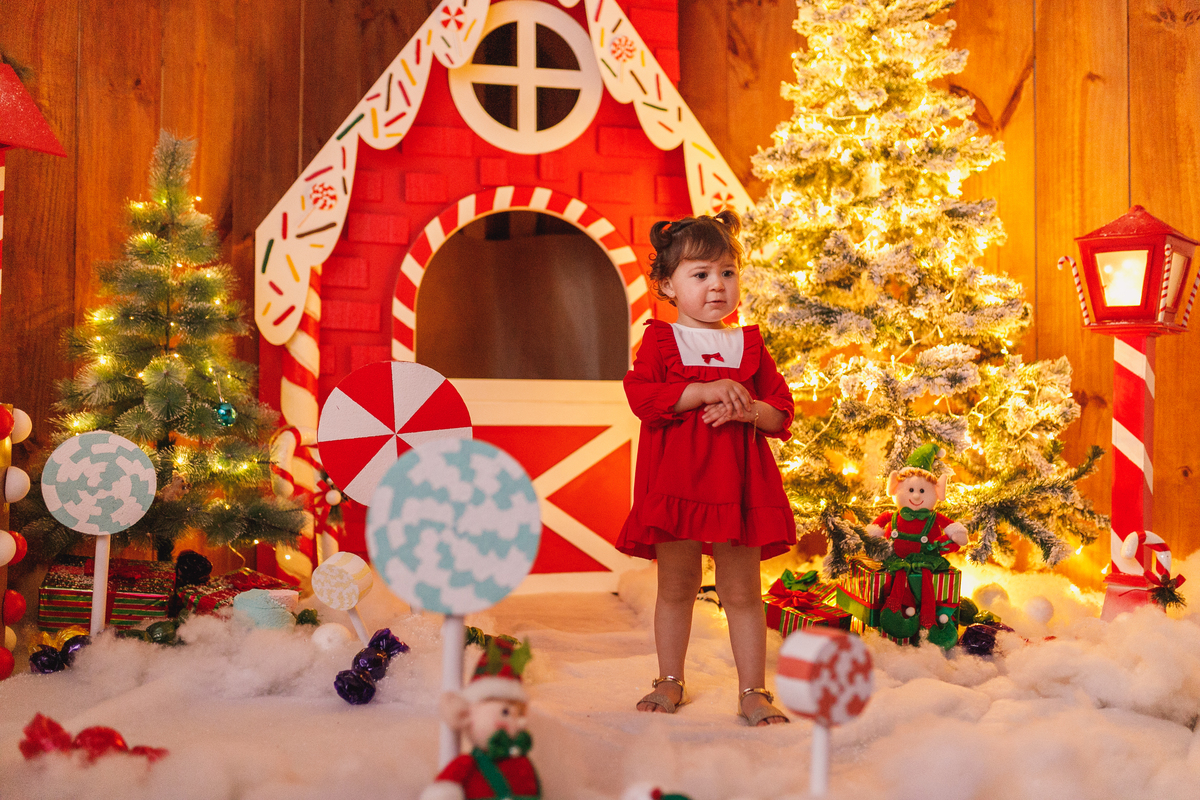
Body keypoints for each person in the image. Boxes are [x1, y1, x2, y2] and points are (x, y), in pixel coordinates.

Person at [617, 210, 796, 726]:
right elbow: (642, 396)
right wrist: (701, 392)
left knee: (742, 593)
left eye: (727, 272)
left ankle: (753, 690)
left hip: (737, 488)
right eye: (700, 275)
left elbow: (780, 411)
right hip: (677, 484)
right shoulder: (660, 341)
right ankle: (669, 680)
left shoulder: (750, 345)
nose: (716, 286)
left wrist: (748, 409)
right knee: (677, 586)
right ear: (667, 285)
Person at [421, 639, 541, 800]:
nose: (520, 722)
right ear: (466, 714)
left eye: (519, 714)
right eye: (505, 712)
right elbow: (444, 789)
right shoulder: (468, 763)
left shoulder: (520, 758)